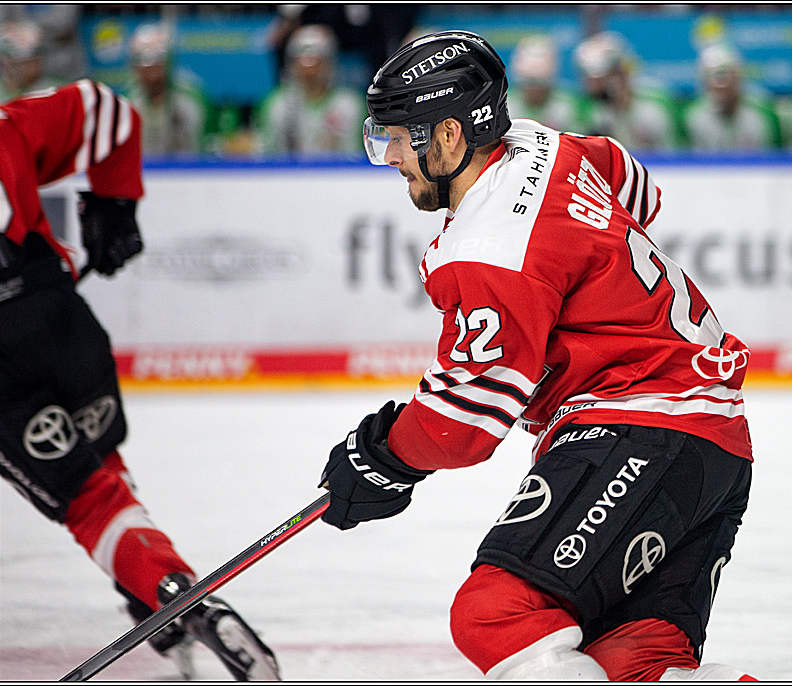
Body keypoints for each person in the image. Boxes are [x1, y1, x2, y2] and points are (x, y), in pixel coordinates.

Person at [317, 31, 756, 681]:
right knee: (638, 665)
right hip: (715, 447)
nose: (390, 158)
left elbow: (466, 422)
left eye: (398, 138)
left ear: (448, 137)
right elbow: (632, 184)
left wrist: (383, 457)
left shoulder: (488, 247)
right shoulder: (541, 143)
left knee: (496, 615)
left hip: (639, 429)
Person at [0, 80, 280, 681]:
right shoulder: (4, 122)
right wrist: (115, 206)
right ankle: (157, 593)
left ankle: (172, 594)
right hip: (60, 319)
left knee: (87, 500)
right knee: (103, 474)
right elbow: (112, 111)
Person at [257, 24, 365, 155]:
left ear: (330, 63)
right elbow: (266, 155)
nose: (308, 71)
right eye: (300, 61)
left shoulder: (350, 104)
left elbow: (357, 155)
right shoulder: (276, 104)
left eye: (316, 61)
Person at [573, 30, 679, 151]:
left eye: (600, 78)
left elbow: (675, 154)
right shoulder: (587, 111)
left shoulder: (655, 104)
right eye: (587, 77)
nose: (591, 85)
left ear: (620, 74)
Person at [124, 22, 208, 156]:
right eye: (144, 68)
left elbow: (208, 146)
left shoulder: (192, 98)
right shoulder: (128, 101)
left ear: (167, 64)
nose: (151, 76)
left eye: (156, 67)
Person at [679, 42, 782, 151]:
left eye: (726, 75)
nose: (720, 85)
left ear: (738, 78)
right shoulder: (690, 116)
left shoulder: (763, 115)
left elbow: (778, 158)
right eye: (713, 76)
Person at [507, 34, 580, 133]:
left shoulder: (571, 104)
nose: (534, 91)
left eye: (540, 85)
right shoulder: (504, 104)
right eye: (528, 83)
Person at [0, 21, 58, 103]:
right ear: (5, 63)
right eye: (23, 63)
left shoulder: (56, 89)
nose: (33, 68)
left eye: (36, 61)